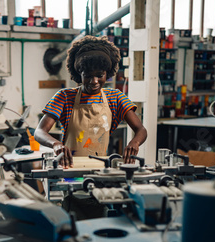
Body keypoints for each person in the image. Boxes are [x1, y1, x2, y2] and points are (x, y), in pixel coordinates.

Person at [34, 35, 147, 167]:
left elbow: (141, 130)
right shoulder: (65, 97)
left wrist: (135, 143)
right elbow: (39, 132)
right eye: (87, 76)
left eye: (100, 75)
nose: (94, 81)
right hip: (69, 167)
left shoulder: (115, 98)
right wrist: (56, 144)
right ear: (79, 74)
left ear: (107, 73)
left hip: (100, 169)